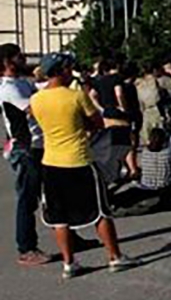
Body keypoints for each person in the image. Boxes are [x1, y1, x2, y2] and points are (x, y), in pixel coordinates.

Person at [30, 53, 140, 279]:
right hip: (79, 160)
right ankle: (115, 257)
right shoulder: (76, 96)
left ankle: (69, 263)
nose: (72, 72)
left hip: (51, 162)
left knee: (59, 216)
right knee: (100, 211)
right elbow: (97, 123)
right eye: (69, 68)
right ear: (61, 71)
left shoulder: (37, 99)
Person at [1, 43, 52, 266]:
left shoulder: (22, 82)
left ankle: (70, 237)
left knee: (53, 195)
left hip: (40, 145)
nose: (24, 58)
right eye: (19, 56)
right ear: (7, 62)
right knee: (27, 200)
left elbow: (41, 93)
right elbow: (35, 109)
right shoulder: (8, 89)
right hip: (25, 148)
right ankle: (27, 248)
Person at [90, 57, 136, 181]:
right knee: (127, 142)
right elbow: (119, 93)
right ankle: (132, 169)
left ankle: (113, 170)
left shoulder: (99, 80)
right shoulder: (117, 79)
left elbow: (92, 95)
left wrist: (101, 108)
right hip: (119, 114)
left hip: (107, 115)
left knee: (112, 143)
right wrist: (123, 107)